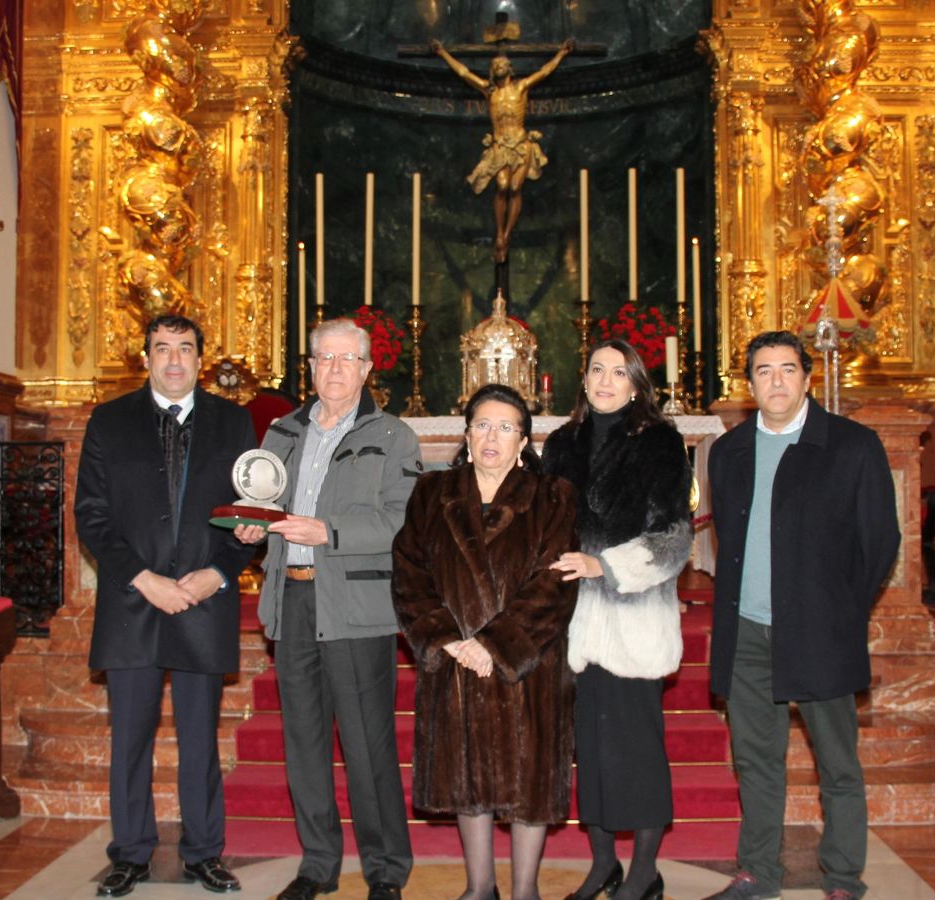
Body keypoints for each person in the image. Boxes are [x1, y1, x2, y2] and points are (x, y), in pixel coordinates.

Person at [702, 331, 899, 900]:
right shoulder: (730, 452)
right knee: (757, 761)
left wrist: (837, 608)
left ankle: (841, 878)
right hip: (747, 634)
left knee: (836, 764)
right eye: (764, 371)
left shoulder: (851, 446)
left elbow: (879, 542)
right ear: (750, 384)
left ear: (808, 378)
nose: (777, 381)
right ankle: (757, 873)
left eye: (788, 369)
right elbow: (730, 543)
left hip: (821, 632)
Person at [234, 318, 418, 900]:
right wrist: (250, 527)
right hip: (291, 598)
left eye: (346, 359)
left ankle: (386, 869)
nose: (334, 369)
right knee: (304, 742)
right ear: (310, 366)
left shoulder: (394, 436)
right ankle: (317, 864)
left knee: (367, 746)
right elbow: (262, 506)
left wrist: (328, 531)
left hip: (357, 606)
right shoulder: (281, 432)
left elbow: (402, 520)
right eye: (323, 359)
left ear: (367, 369)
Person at [74, 314, 255, 898]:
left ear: (201, 359)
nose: (173, 360)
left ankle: (204, 853)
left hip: (204, 599)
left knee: (200, 739)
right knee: (130, 737)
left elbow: (249, 513)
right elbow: (92, 517)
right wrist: (142, 578)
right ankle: (130, 853)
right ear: (145, 357)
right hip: (134, 600)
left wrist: (220, 574)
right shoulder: (109, 421)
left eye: (184, 349)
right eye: (161, 349)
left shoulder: (233, 423)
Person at [392, 384, 580, 900]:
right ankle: (479, 888)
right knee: (465, 776)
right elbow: (409, 573)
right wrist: (447, 638)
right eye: (481, 425)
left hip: (528, 663)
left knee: (529, 781)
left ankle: (525, 891)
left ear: (523, 441)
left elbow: (555, 582)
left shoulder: (553, 496)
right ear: (466, 433)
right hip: (454, 662)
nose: (491, 436)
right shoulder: (432, 494)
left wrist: (494, 646)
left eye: (504, 427)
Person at [542, 340, 692, 900]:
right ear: (584, 381)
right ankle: (603, 864)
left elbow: (675, 539)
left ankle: (644, 873)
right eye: (596, 370)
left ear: (636, 385)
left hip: (633, 619)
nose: (606, 380)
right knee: (593, 752)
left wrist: (602, 563)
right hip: (574, 623)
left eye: (618, 372)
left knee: (639, 752)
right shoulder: (561, 444)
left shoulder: (659, 441)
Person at [430, 39, 574, 263]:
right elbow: (464, 73)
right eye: (494, 64)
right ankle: (499, 232)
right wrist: (442, 53)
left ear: (510, 68)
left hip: (520, 144)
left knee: (515, 187)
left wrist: (562, 54)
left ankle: (504, 237)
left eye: (502, 64)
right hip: (499, 146)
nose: (498, 66)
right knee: (503, 185)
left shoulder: (521, 87)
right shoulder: (489, 91)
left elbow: (544, 72)